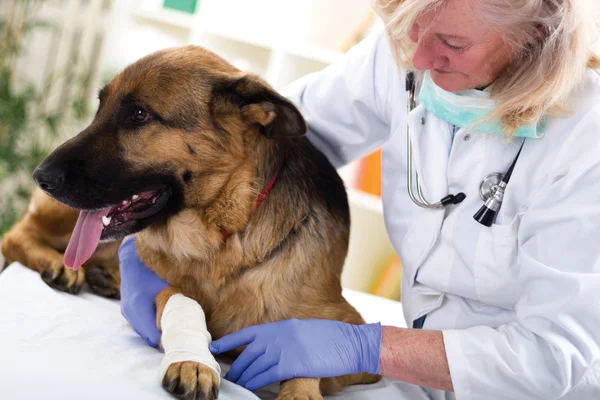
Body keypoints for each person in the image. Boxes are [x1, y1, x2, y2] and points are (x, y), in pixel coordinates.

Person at [117, 0, 600, 398]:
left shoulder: (586, 142)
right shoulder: (410, 50)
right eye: (410, 31)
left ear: (537, 34)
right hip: (417, 380)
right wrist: (161, 222)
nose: (422, 60)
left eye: (453, 44)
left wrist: (362, 347)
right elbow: (276, 139)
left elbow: (552, 357)